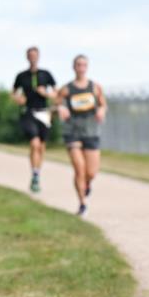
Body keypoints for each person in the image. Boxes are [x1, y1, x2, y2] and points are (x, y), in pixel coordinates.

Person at [56, 55, 106, 217]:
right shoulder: (67, 89)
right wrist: (60, 108)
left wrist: (101, 110)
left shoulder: (95, 87)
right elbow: (57, 102)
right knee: (79, 168)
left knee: (91, 172)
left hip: (91, 131)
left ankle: (87, 184)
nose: (81, 67)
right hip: (73, 131)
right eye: (78, 64)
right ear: (74, 67)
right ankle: (82, 204)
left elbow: (103, 104)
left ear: (87, 67)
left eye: (84, 64)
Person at [12, 47, 57, 192]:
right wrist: (18, 99)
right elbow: (13, 93)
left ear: (38, 57)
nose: (32, 57)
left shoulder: (46, 74)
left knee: (41, 147)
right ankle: (35, 175)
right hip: (29, 112)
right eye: (30, 55)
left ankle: (37, 172)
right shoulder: (21, 76)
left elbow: (57, 94)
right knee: (34, 144)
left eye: (35, 55)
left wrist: (47, 94)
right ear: (27, 57)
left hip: (44, 113)